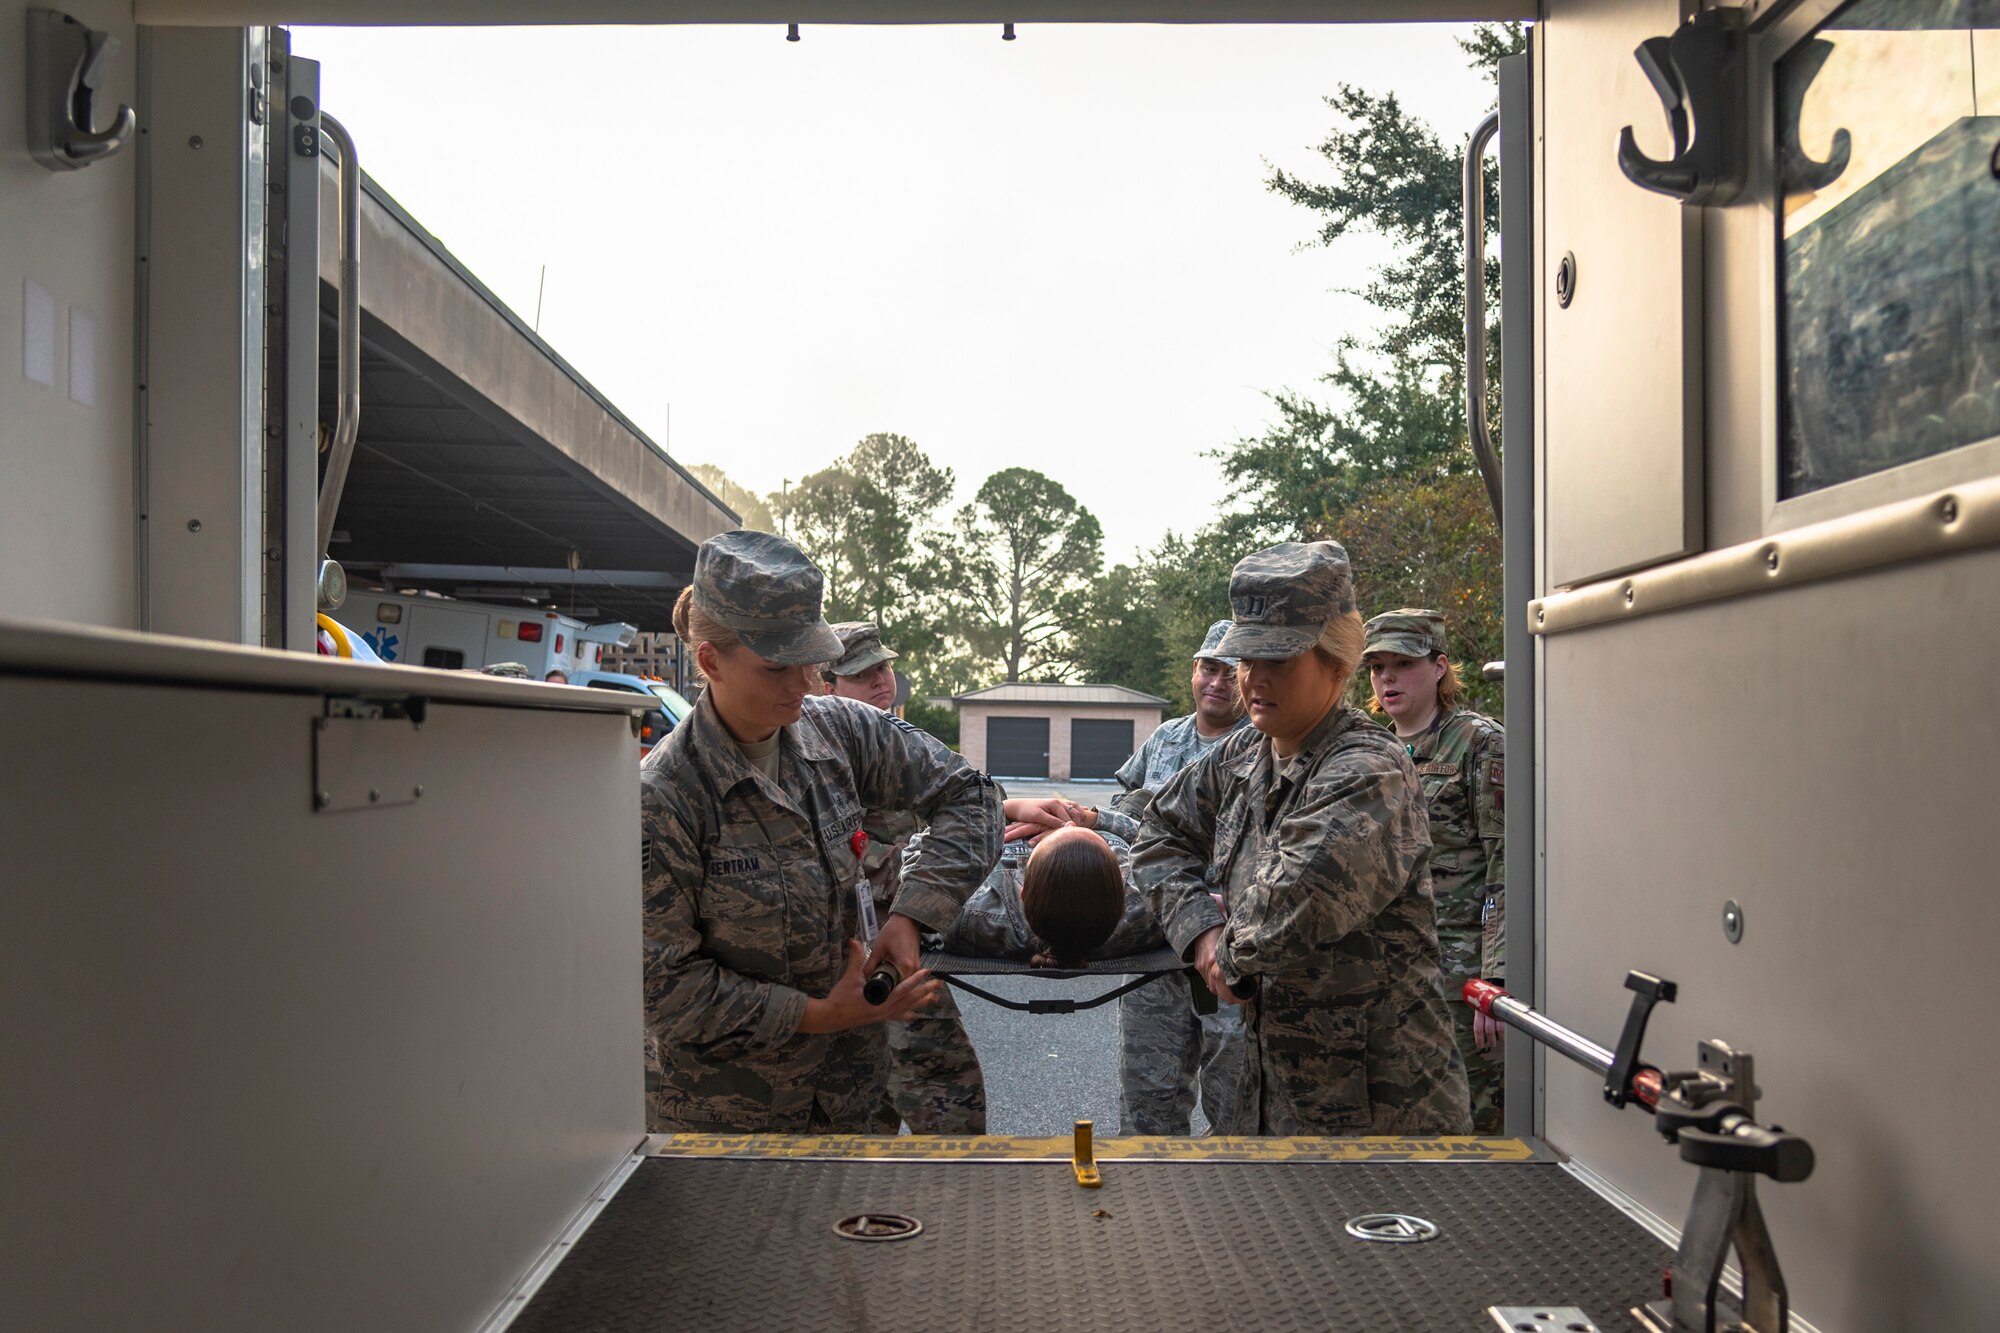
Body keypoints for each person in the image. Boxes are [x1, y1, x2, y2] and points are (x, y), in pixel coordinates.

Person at [639, 530, 1003, 1133]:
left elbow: (974, 795)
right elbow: (665, 991)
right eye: (777, 666)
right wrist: (817, 1015)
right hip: (729, 1128)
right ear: (710, 661)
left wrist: (911, 915)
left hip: (850, 1104)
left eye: (810, 658)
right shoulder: (666, 797)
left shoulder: (840, 733)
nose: (805, 683)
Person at [1133, 541, 1472, 1136]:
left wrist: (1224, 952)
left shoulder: (1370, 770)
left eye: (1280, 662)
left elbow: (1282, 912)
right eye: (1244, 660)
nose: (1253, 680)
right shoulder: (1244, 750)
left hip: (1377, 1115)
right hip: (1269, 1093)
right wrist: (1200, 929)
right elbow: (1158, 833)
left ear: (1338, 664)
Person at [1073, 620, 1251, 1136]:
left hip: (1228, 948)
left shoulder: (1260, 748)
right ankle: (1146, 1206)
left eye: (1230, 673)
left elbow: (1186, 837)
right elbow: (1130, 805)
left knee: (1237, 1106)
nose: (1216, 682)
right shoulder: (1166, 738)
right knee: (1148, 1099)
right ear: (1194, 671)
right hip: (1153, 947)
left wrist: (1103, 821)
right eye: (1208, 669)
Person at [823, 620, 989, 1135]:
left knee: (954, 1119)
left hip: (895, 960)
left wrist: (913, 915)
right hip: (826, 979)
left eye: (884, 668)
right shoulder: (814, 754)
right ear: (824, 686)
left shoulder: (889, 743)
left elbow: (959, 798)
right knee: (849, 1132)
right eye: (862, 674)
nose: (881, 682)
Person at [1363, 608, 1507, 1133]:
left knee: (1473, 1125)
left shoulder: (1479, 743)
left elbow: (1505, 864)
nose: (1387, 679)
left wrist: (1495, 977)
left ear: (1440, 667)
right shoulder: (1370, 750)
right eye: (1377, 667)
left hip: (1458, 975)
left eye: (1403, 663)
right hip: (1386, 971)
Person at [936, 813, 1163, 966]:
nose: (1069, 824)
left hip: (1001, 830)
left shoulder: (972, 916)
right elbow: (1163, 839)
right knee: (1139, 801)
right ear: (1121, 897)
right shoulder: (1151, 911)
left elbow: (925, 857)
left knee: (988, 792)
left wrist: (1004, 809)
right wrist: (1093, 819)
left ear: (1023, 892)